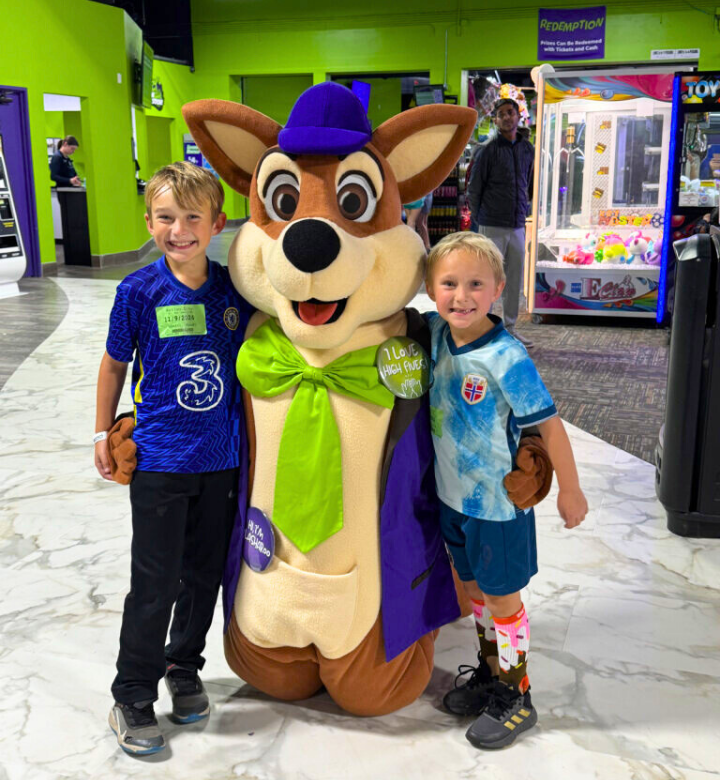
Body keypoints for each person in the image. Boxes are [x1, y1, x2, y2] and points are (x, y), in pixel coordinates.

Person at [94, 161, 252, 755]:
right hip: (160, 461)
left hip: (222, 462)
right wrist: (100, 432)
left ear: (217, 223)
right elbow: (113, 363)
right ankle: (132, 693)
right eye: (166, 217)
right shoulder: (136, 291)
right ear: (149, 222)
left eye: (192, 217)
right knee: (153, 582)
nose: (179, 229)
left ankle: (184, 668)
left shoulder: (235, 289)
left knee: (203, 576)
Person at [424, 232, 588, 750]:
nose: (462, 296)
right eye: (449, 283)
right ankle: (492, 675)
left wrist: (570, 490)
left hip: (496, 506)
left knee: (502, 597)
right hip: (453, 499)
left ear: (497, 289)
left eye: (476, 284)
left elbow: (551, 425)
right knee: (473, 591)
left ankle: (517, 696)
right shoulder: (435, 334)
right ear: (430, 289)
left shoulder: (507, 357)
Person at [466, 98, 534, 347]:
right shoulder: (488, 151)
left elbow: (528, 182)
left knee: (514, 279)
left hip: (517, 224)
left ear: (518, 117)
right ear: (495, 120)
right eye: (501, 114)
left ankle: (510, 328)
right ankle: (484, 329)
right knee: (488, 278)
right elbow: (475, 189)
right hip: (492, 223)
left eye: (511, 112)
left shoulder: (528, 149)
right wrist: (479, 217)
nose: (507, 117)